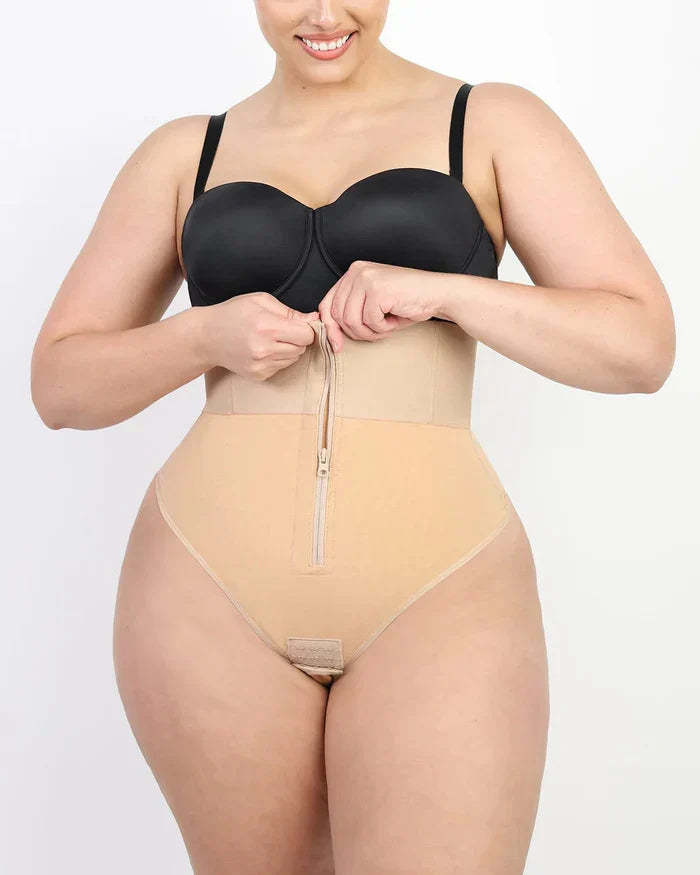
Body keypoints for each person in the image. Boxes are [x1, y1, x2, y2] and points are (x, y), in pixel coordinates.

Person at [30, 2, 675, 872]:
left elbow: (640, 347)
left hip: (441, 585)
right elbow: (60, 385)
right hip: (205, 589)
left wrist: (446, 292)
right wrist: (202, 335)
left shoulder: (489, 122)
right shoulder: (187, 153)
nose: (325, 13)